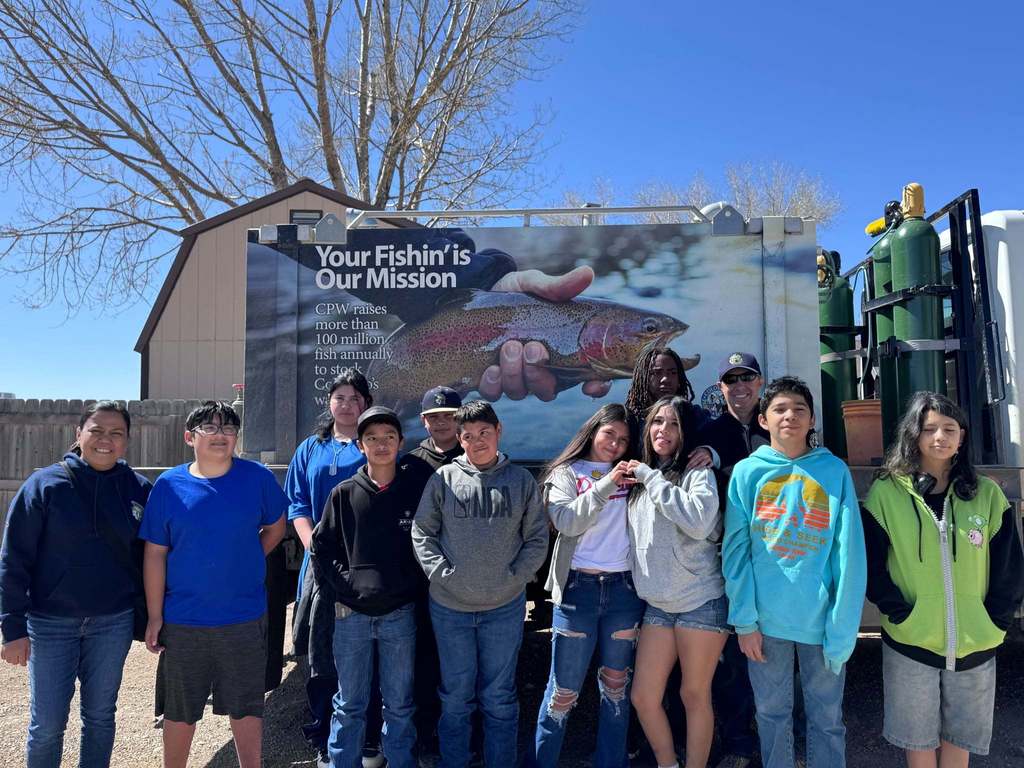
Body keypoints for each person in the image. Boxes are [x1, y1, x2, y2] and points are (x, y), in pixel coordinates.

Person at [862, 392, 1024, 768]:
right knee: (917, 740)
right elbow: (871, 563)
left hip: (975, 642)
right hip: (910, 642)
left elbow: (1009, 567)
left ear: (962, 437)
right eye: (929, 428)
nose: (940, 437)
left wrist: (994, 621)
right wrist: (898, 612)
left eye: (949, 429)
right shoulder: (888, 493)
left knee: (959, 739)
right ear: (914, 435)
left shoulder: (987, 494)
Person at [722, 377, 866, 768]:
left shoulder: (833, 471)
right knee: (770, 716)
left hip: (822, 625)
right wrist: (744, 621)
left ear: (812, 418)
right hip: (765, 626)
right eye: (780, 409)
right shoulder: (747, 473)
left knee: (827, 720)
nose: (790, 416)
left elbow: (848, 553)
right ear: (764, 420)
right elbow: (736, 553)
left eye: (799, 409)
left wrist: (843, 627)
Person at [0, 401, 151, 768]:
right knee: (48, 724)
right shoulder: (44, 485)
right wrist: (12, 628)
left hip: (112, 622)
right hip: (50, 623)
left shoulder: (139, 489)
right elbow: (14, 559)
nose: (105, 440)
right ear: (77, 434)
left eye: (116, 433)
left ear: (127, 441)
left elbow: (154, 555)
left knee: (100, 717)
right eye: (96, 430)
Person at [140, 401, 287, 768]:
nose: (220, 434)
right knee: (180, 709)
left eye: (228, 428)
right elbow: (155, 553)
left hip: (244, 615)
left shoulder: (258, 478)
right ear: (190, 437)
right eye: (210, 427)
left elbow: (276, 527)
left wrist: (249, 556)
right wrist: (155, 616)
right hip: (184, 618)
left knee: (247, 706)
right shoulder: (169, 486)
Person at [411, 400, 549, 768]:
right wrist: (441, 573)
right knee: (456, 697)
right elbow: (422, 532)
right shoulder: (443, 479)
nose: (477, 442)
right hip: (450, 609)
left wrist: (516, 576)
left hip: (503, 609)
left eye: (484, 433)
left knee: (499, 697)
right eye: (468, 436)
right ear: (460, 439)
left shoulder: (520, 482)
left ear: (498, 431)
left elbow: (537, 538)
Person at [310, 407, 434, 768]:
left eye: (389, 437)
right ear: (361, 445)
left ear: (400, 443)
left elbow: (428, 546)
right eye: (372, 439)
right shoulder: (344, 494)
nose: (381, 445)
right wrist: (347, 587)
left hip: (399, 614)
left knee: (399, 704)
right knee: (349, 703)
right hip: (351, 616)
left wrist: (405, 587)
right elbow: (322, 549)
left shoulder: (416, 491)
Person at [529, 404, 644, 768]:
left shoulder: (636, 474)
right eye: (610, 433)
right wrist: (608, 482)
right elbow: (566, 521)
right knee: (562, 693)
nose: (615, 444)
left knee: (615, 688)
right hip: (578, 590)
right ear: (593, 430)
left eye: (623, 440)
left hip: (625, 591)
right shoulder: (566, 473)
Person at [285, 372, 377, 767]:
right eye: (340, 397)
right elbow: (298, 505)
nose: (347, 404)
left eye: (355, 398)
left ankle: (369, 735)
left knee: (364, 648)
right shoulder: (311, 448)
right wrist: (312, 544)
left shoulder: (373, 444)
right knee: (320, 649)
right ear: (329, 403)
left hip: (364, 564)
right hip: (319, 564)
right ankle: (325, 730)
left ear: (365, 404)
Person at [627, 396, 725, 768]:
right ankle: (668, 764)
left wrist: (651, 478)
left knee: (693, 694)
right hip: (659, 604)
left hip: (700, 599)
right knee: (644, 696)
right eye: (657, 422)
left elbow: (699, 523)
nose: (662, 431)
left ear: (686, 433)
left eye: (673, 424)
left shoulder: (695, 472)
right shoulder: (641, 478)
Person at [689, 353, 768, 768]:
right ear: (721, 388)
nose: (739, 386)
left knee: (776, 651)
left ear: (760, 382)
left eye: (747, 377)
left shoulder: (778, 424)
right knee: (732, 656)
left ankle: (780, 738)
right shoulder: (708, 432)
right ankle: (738, 742)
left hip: (776, 559)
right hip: (727, 558)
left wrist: (726, 463)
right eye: (730, 379)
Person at [409, 386, 464, 469]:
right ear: (423, 420)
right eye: (433, 416)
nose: (441, 422)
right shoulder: (410, 463)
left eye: (448, 415)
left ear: (460, 417)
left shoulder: (475, 454)